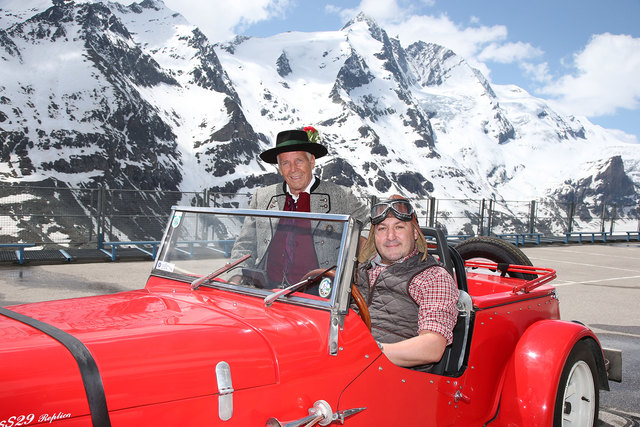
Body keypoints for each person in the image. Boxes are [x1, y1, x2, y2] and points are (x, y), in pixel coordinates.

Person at [231, 127, 368, 289]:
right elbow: (245, 244)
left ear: (311, 162)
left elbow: (370, 223)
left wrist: (360, 249)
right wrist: (236, 276)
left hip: (319, 293)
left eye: (299, 161)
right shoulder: (262, 197)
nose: (293, 169)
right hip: (267, 291)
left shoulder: (341, 196)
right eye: (286, 163)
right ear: (280, 168)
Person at [355, 196, 460, 371]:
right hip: (341, 361)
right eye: (382, 229)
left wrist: (367, 351)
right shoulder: (358, 270)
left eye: (399, 227)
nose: (390, 236)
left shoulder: (433, 277)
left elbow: (432, 347)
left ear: (415, 233)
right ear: (374, 237)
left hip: (392, 375)